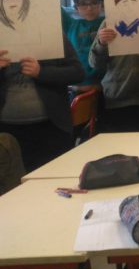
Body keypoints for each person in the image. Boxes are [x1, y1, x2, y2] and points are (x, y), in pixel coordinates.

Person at [0, 39, 84, 171]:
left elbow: (78, 73)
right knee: (13, 180)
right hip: (7, 130)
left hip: (52, 126)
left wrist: (41, 72)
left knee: (57, 175)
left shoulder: (51, 33)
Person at [89, 19, 139, 133]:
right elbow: (94, 63)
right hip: (117, 98)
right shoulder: (109, 21)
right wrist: (102, 43)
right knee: (119, 142)